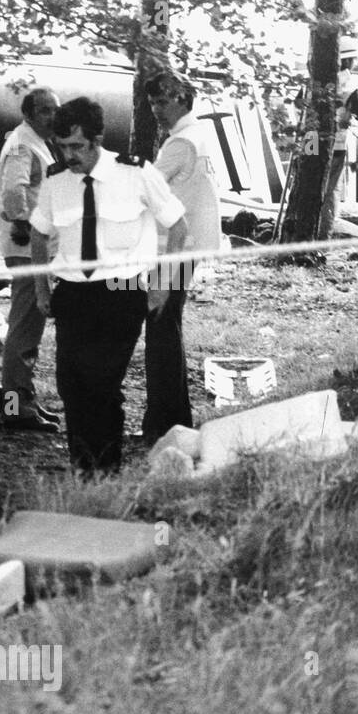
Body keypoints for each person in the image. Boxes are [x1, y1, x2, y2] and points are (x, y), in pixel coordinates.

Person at [28, 97, 187, 476]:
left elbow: (178, 228)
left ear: (97, 139)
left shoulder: (135, 173)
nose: (69, 155)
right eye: (62, 147)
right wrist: (40, 288)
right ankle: (84, 469)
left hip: (120, 291)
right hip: (72, 293)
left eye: (77, 146)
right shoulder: (56, 181)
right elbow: (38, 235)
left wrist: (164, 284)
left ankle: (105, 470)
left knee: (101, 383)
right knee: (72, 385)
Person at [143, 71, 221, 444]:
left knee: (161, 331)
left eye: (164, 101)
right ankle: (170, 418)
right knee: (166, 328)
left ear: (184, 98)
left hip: (174, 249)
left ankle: (165, 422)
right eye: (153, 102)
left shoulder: (179, 144)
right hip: (188, 246)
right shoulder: (197, 134)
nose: (157, 109)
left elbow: (146, 189)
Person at [0, 87, 62, 434]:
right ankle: (13, 409)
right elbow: (13, 190)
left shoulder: (36, 141)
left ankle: (24, 402)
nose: (53, 116)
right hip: (26, 249)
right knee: (23, 329)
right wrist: (22, 222)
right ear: (29, 114)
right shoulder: (23, 144)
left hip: (35, 247)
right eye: (46, 110)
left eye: (56, 110)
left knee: (29, 329)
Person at [319, 39, 358, 239]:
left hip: (310, 141)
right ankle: (322, 234)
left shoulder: (315, 77)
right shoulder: (350, 83)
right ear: (351, 61)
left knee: (307, 180)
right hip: (335, 145)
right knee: (330, 190)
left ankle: (300, 228)